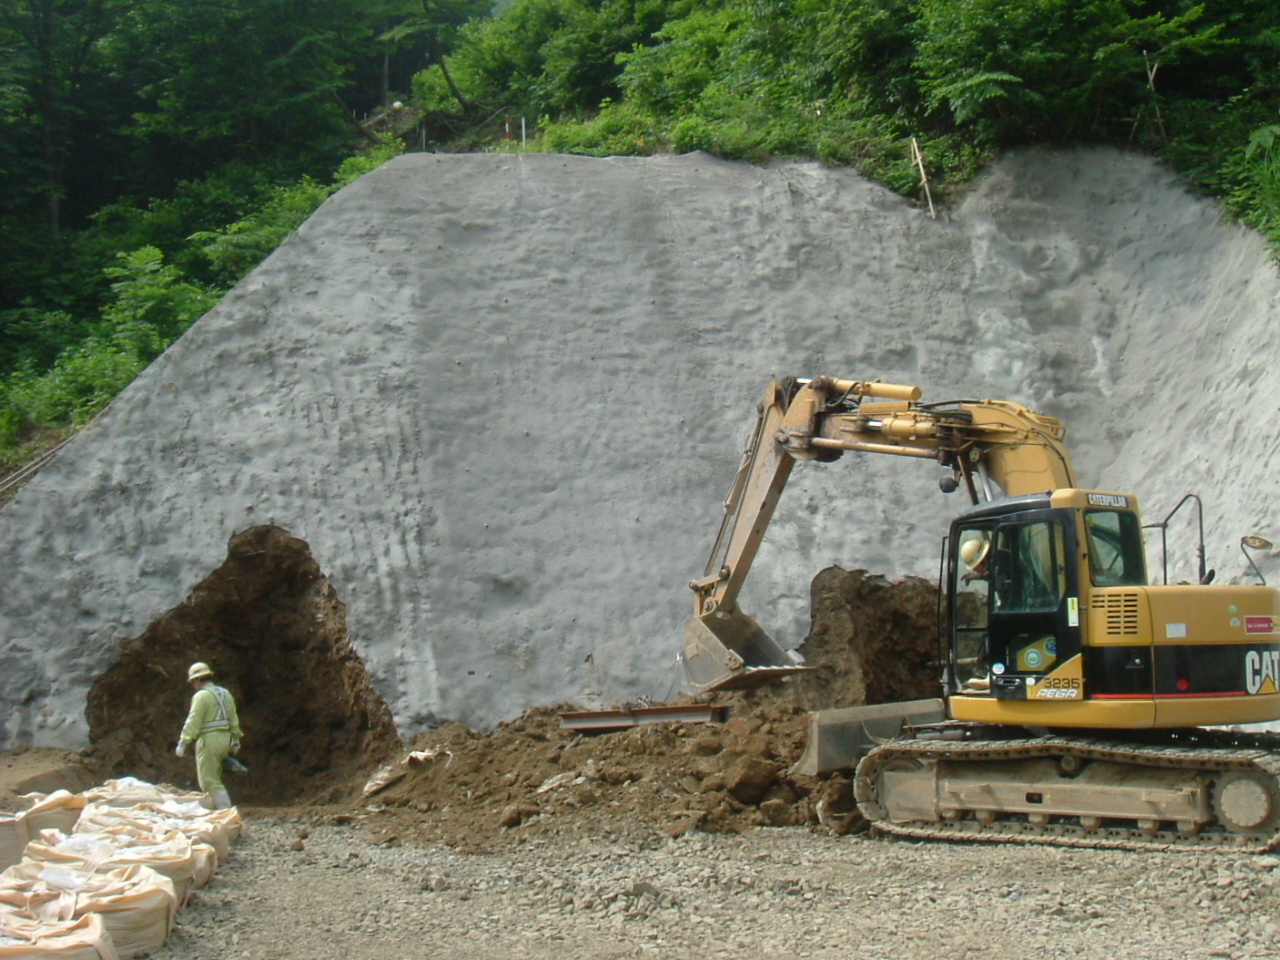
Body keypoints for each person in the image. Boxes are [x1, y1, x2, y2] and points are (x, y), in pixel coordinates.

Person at [175, 662, 242, 810]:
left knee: (209, 781)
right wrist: (236, 739)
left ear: (197, 680)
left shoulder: (201, 696)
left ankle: (226, 813)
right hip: (225, 739)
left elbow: (193, 720)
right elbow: (233, 718)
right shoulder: (225, 693)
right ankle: (214, 812)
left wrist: (183, 742)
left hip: (209, 740)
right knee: (216, 776)